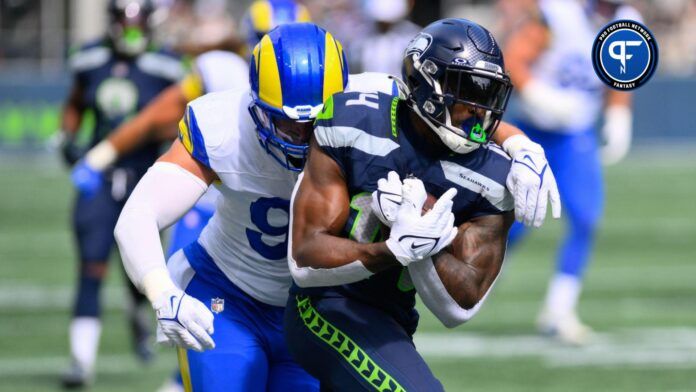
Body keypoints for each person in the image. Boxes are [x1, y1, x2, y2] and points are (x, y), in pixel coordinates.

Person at [283, 18, 551, 390]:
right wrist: (390, 249)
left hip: (393, 319)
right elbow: (303, 259)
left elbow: (459, 307)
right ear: (427, 83)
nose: (480, 108)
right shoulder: (354, 119)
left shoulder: (494, 176)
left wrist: (425, 243)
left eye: (489, 93)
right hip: (324, 305)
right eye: (468, 89)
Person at [57, 0, 184, 387]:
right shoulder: (90, 58)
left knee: (139, 266)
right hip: (99, 175)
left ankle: (137, 317)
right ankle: (81, 361)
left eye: (138, 20)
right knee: (92, 264)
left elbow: (181, 118)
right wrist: (67, 137)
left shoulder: (168, 66)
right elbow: (75, 103)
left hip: (145, 178)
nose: (131, 28)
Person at [502, 0, 639, 344]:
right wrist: (540, 95)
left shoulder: (627, 20)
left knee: (585, 217)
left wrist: (619, 115)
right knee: (515, 221)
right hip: (533, 129)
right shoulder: (558, 12)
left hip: (576, 133)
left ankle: (559, 309)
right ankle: (481, 277)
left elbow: (621, 75)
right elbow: (513, 60)